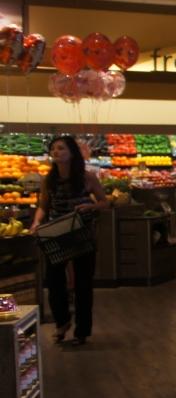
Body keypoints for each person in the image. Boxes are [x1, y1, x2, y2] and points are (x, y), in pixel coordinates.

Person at [32, 135, 108, 345]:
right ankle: (62, 322)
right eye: (53, 149)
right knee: (54, 281)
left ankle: (82, 331)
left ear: (72, 153)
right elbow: (43, 206)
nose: (56, 152)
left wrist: (91, 206)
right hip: (57, 235)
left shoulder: (87, 177)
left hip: (82, 234)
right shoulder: (48, 180)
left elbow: (104, 203)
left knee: (83, 284)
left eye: (61, 148)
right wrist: (36, 222)